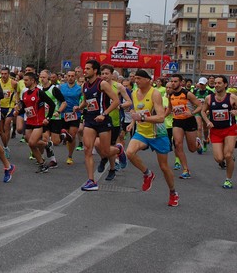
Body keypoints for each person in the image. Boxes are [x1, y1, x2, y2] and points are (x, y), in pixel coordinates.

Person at [126, 69, 179, 207]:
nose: (136, 81)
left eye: (139, 79)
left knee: (164, 167)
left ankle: (173, 193)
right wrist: (133, 120)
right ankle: (147, 174)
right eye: (135, 79)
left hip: (158, 134)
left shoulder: (155, 94)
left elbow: (161, 117)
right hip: (142, 132)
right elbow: (136, 111)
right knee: (130, 153)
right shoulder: (133, 93)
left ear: (148, 80)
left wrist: (142, 117)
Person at [73, 59, 122, 191]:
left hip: (103, 120)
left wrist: (104, 114)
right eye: (85, 68)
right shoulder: (84, 86)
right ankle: (91, 181)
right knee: (87, 149)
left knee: (105, 151)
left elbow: (116, 101)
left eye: (88, 68)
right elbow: (87, 101)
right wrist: (79, 107)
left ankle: (119, 150)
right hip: (89, 120)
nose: (85, 71)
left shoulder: (103, 84)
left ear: (95, 71)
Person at [200, 75, 237, 189]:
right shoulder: (209, 98)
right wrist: (207, 121)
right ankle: (226, 158)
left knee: (228, 154)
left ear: (225, 84)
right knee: (219, 158)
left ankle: (228, 180)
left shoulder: (232, 98)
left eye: (219, 83)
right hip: (215, 131)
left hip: (230, 129)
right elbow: (202, 111)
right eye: (215, 83)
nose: (216, 85)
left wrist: (235, 111)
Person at [16, 71, 56, 173]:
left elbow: (52, 104)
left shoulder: (39, 92)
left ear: (32, 80)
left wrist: (48, 118)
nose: (24, 82)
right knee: (30, 143)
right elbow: (25, 107)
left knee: (32, 142)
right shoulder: (25, 93)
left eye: (26, 80)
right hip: (29, 121)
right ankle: (43, 161)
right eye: (23, 80)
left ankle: (45, 152)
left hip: (38, 123)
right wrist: (17, 111)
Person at [166, 74, 203, 179]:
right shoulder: (171, 95)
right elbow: (169, 109)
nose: (173, 83)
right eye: (172, 81)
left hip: (189, 121)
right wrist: (161, 117)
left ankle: (198, 144)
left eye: (175, 81)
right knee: (177, 144)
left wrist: (192, 113)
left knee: (192, 149)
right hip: (177, 121)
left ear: (181, 82)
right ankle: (186, 169)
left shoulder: (188, 94)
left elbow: (200, 106)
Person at [59, 69, 83, 165]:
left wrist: (80, 106)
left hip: (74, 114)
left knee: (72, 136)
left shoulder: (79, 88)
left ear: (75, 77)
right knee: (65, 136)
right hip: (63, 114)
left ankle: (70, 156)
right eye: (68, 76)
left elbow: (83, 100)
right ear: (66, 77)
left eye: (72, 76)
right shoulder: (61, 87)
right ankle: (66, 139)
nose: (70, 78)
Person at [0, 67, 17, 158]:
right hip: (0, 107)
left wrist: (17, 103)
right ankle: (5, 146)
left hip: (10, 107)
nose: (3, 75)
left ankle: (5, 146)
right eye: (2, 74)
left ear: (8, 74)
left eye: (5, 74)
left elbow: (18, 92)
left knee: (7, 126)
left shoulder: (13, 83)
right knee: (0, 130)